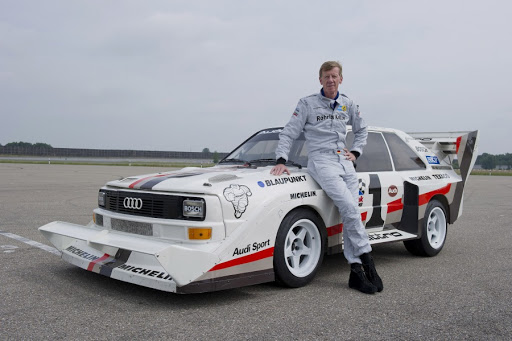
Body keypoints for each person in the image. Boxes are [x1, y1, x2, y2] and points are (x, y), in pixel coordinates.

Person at [270, 61, 383, 294]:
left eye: (334, 76)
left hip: (345, 161)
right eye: (326, 76)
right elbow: (288, 132)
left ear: (341, 79)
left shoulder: (348, 104)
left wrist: (357, 152)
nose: (330, 80)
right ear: (320, 80)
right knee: (350, 210)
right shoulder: (307, 104)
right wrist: (281, 159)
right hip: (321, 161)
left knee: (351, 213)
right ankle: (368, 260)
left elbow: (362, 129)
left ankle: (356, 271)